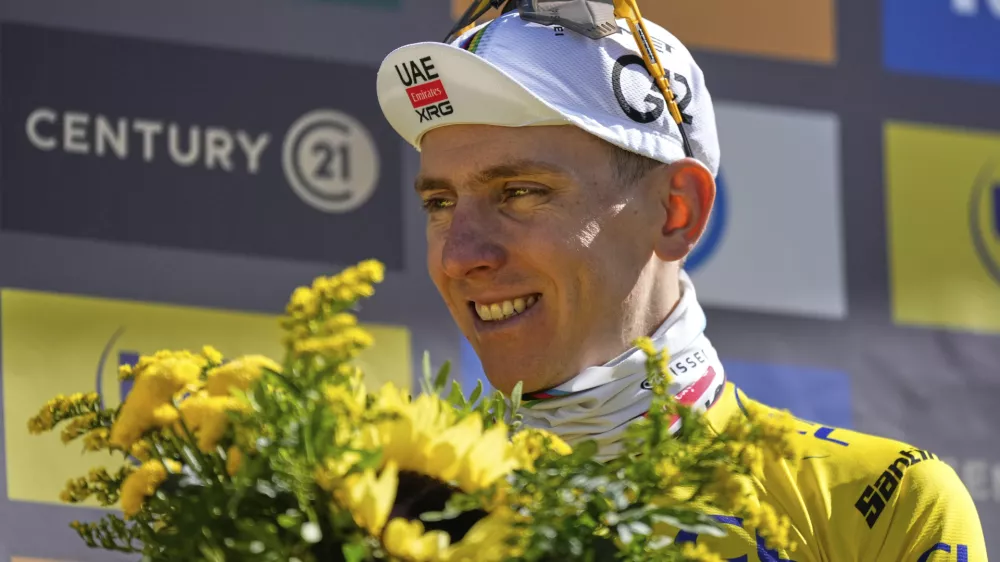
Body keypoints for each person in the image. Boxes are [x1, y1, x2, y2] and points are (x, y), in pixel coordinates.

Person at [374, 6, 988, 560]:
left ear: (677, 211)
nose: (459, 256)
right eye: (440, 203)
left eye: (521, 192)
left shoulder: (884, 504)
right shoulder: (377, 504)